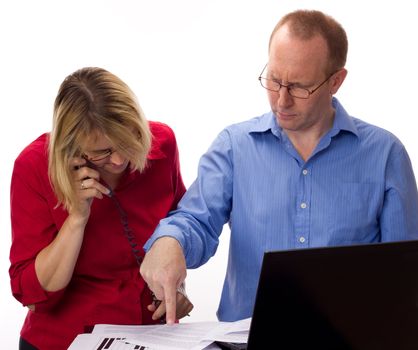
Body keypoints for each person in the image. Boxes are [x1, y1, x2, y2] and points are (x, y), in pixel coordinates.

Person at [140, 9, 418, 325]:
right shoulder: (234, 146)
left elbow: (403, 273)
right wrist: (170, 241)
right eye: (274, 79)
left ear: (336, 81)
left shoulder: (385, 154)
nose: (281, 100)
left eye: (299, 86)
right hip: (247, 339)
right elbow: (195, 221)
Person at [9, 67, 193, 350]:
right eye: (102, 151)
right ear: (71, 146)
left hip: (149, 338)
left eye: (125, 141)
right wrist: (77, 218)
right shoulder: (33, 167)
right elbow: (35, 296)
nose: (119, 159)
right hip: (64, 341)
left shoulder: (162, 143)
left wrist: (175, 288)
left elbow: (178, 230)